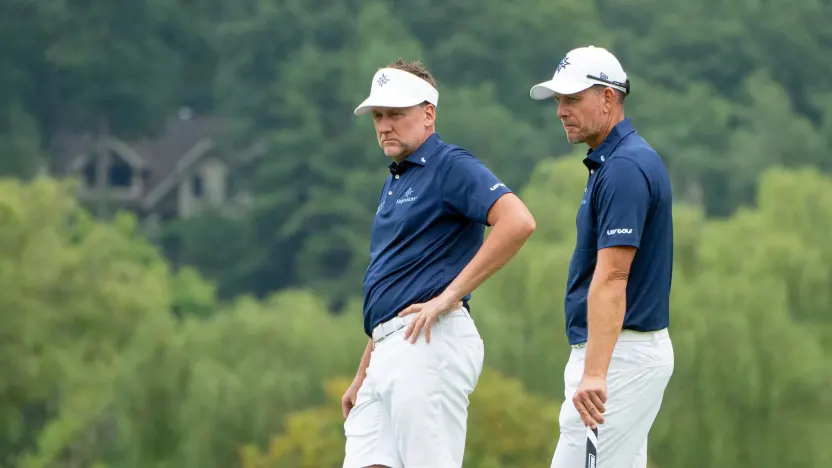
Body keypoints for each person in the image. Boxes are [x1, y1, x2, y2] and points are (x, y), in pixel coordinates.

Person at [340, 58, 536, 468]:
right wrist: (364, 370)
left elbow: (517, 221)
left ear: (428, 113)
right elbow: (395, 284)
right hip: (387, 350)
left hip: (430, 342)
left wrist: (449, 297)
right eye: (378, 115)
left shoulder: (450, 165)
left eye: (396, 113)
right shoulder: (397, 180)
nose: (384, 125)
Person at [528, 46, 675, 467]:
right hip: (620, 352)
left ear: (608, 99)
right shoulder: (614, 163)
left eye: (572, 99)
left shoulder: (625, 168)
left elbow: (613, 278)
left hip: (619, 356)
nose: (560, 110)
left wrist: (595, 373)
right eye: (558, 100)